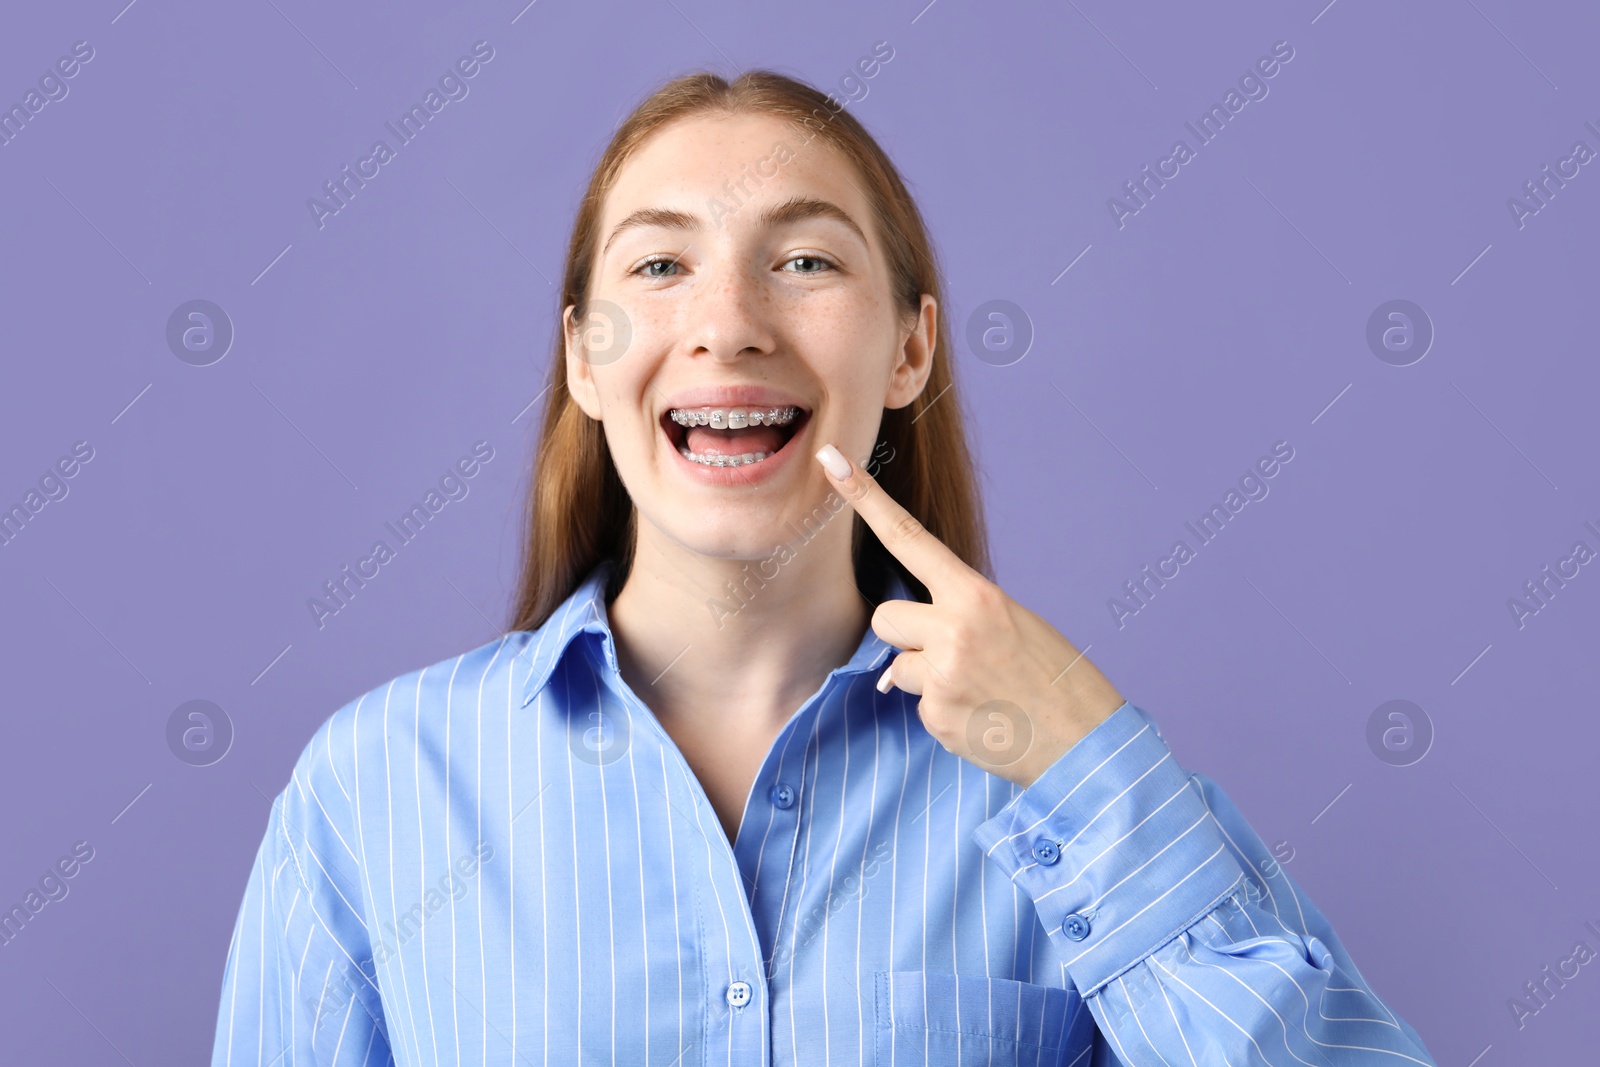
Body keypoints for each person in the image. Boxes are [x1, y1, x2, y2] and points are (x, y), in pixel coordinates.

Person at [210, 70, 1437, 1066]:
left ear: (910, 346)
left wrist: (1086, 761)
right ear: (584, 358)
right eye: (657, 264)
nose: (730, 318)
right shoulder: (370, 789)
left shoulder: (1066, 787)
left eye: (804, 261)